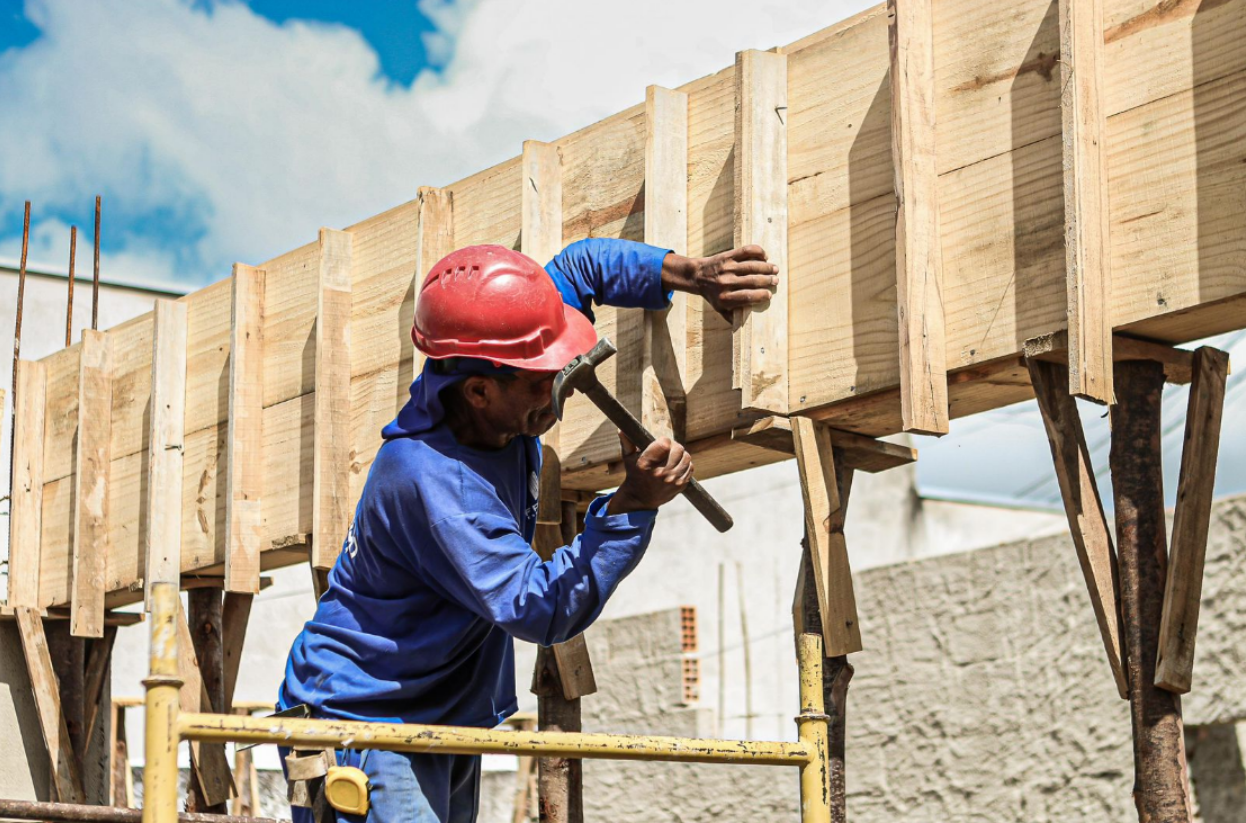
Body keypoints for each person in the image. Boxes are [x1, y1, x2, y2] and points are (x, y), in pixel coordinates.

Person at [278, 238, 779, 823]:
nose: (559, 393)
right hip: (362, 726)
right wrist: (632, 504)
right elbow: (539, 608)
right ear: (479, 390)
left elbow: (578, 268)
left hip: (433, 713)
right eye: (541, 382)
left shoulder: (507, 344)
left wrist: (690, 273)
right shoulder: (435, 484)